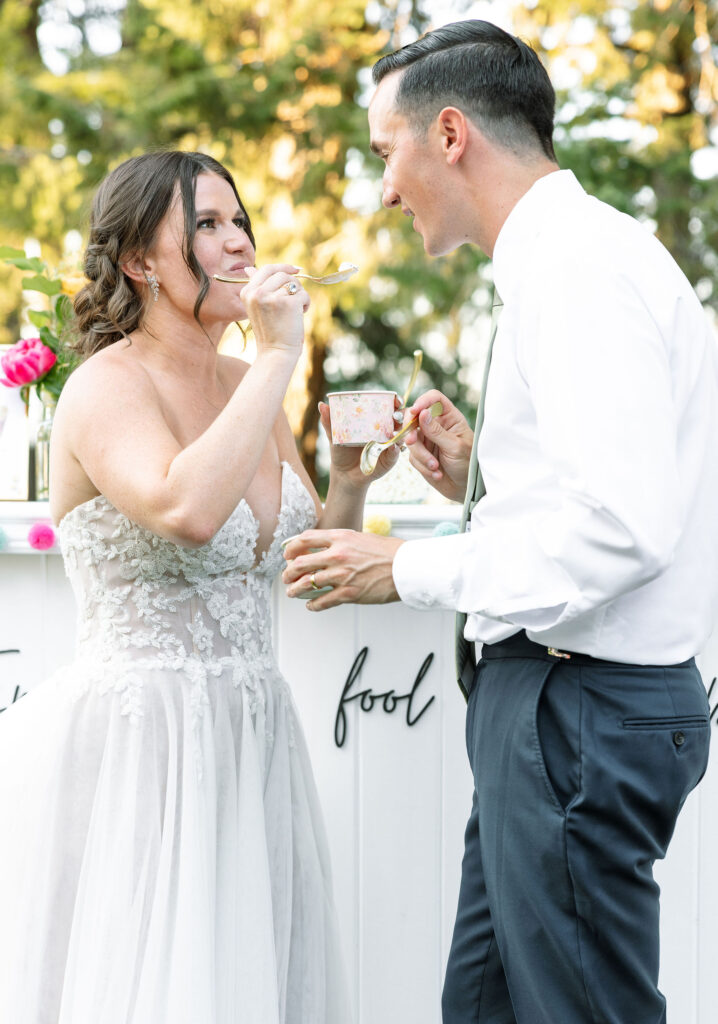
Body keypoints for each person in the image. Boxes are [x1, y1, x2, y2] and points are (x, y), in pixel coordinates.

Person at [282, 19, 718, 1024]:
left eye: (384, 150)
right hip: (559, 708)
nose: (383, 189)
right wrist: (482, 475)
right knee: (484, 1009)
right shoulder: (578, 260)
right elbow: (618, 490)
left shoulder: (576, 270)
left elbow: (619, 530)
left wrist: (404, 566)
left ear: (447, 134)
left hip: (576, 711)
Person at [0, 149, 396, 1023]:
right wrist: (280, 355)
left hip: (250, 737)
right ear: (141, 260)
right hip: (141, 754)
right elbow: (185, 508)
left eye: (239, 222)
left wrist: (351, 477)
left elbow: (303, 561)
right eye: (206, 226)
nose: (238, 244)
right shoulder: (108, 386)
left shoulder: (241, 384)